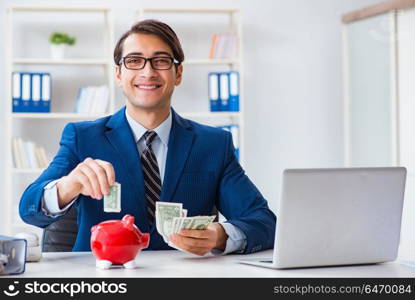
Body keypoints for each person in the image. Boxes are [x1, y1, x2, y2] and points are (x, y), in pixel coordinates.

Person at [19, 19, 276, 256]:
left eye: (161, 61)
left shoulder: (214, 144)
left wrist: (221, 235)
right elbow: (29, 209)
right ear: (119, 74)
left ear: (178, 74)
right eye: (134, 61)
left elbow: (263, 221)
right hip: (102, 278)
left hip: (184, 279)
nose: (148, 72)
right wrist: (67, 186)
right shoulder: (83, 138)